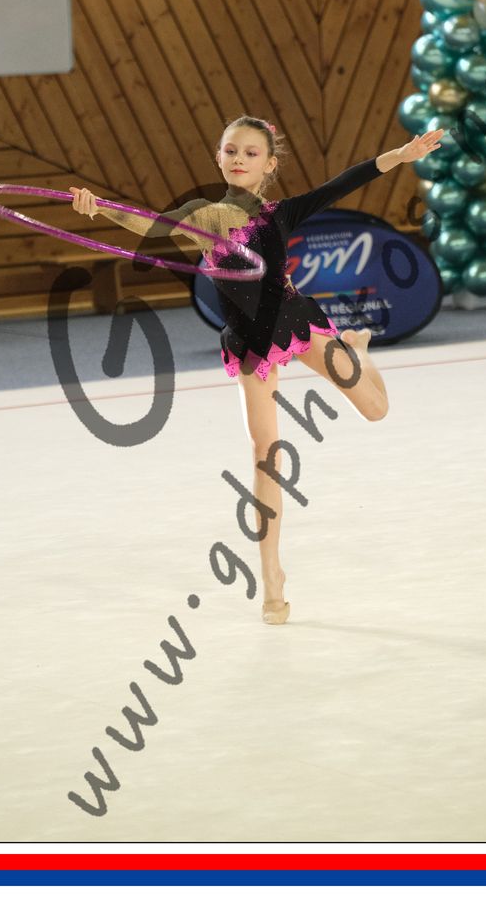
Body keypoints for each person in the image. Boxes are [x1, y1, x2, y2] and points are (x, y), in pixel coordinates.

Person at [69, 115, 445, 624]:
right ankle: (272, 577)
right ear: (218, 157)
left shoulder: (280, 214)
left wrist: (399, 157)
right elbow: (152, 225)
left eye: (251, 153)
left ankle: (358, 351)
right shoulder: (204, 214)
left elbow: (341, 184)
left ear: (269, 165)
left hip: (296, 322)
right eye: (231, 150)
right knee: (265, 456)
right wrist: (99, 207)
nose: (239, 159)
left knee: (375, 410)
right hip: (249, 343)